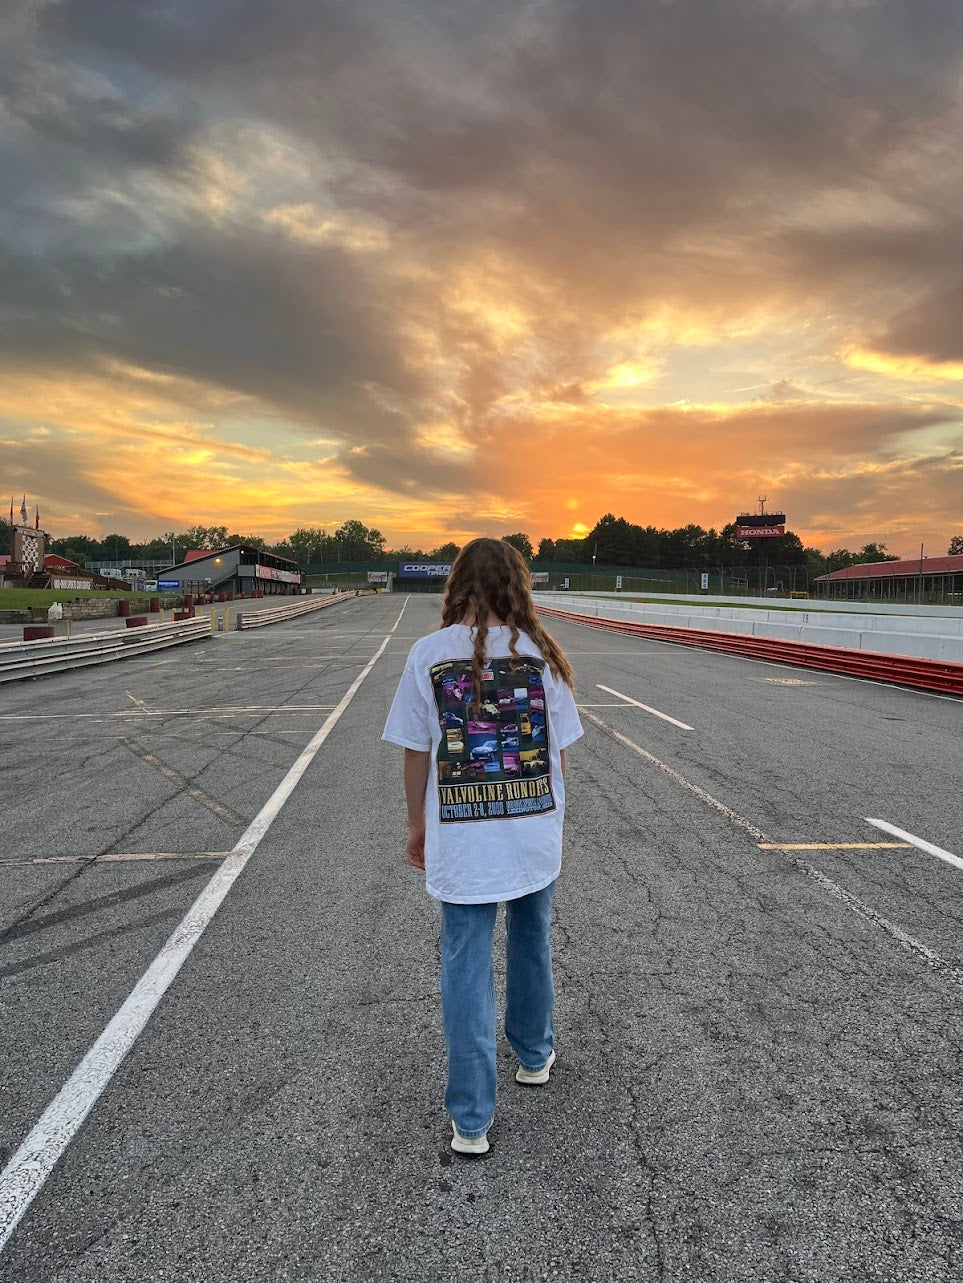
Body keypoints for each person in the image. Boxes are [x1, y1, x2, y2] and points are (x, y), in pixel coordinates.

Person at [382, 537, 583, 1155]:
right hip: (531, 831)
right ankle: (534, 1054)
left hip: (464, 836)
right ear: (516, 586)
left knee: (464, 963)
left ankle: (471, 1119)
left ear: (457, 585)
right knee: (533, 940)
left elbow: (418, 752)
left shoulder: (428, 655)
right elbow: (558, 759)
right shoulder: (542, 655)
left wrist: (418, 825)